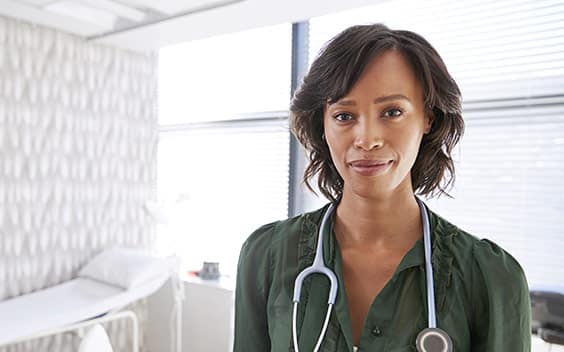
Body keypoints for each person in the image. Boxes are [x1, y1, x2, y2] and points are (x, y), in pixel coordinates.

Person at [233, 24, 531, 352]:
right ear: (323, 124)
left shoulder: (489, 279)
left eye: (392, 112)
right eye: (344, 116)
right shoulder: (267, 257)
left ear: (427, 118)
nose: (367, 139)